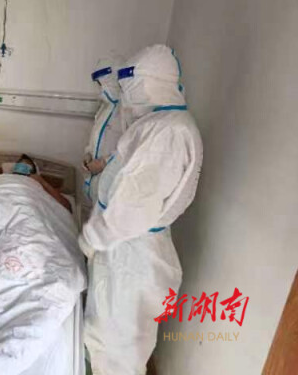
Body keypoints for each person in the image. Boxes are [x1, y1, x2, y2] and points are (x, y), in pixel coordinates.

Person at [80, 44, 203, 375]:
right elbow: (124, 168)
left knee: (117, 343)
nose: (128, 96)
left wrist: (92, 238)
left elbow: (134, 203)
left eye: (131, 86)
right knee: (108, 332)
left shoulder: (169, 132)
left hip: (131, 252)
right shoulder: (157, 124)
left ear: (151, 82)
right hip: (124, 247)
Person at [82, 58, 124, 208]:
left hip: (112, 178)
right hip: (94, 177)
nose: (100, 89)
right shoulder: (105, 108)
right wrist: (88, 153)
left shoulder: (127, 112)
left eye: (102, 84)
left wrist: (104, 162)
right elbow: (96, 136)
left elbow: (131, 147)